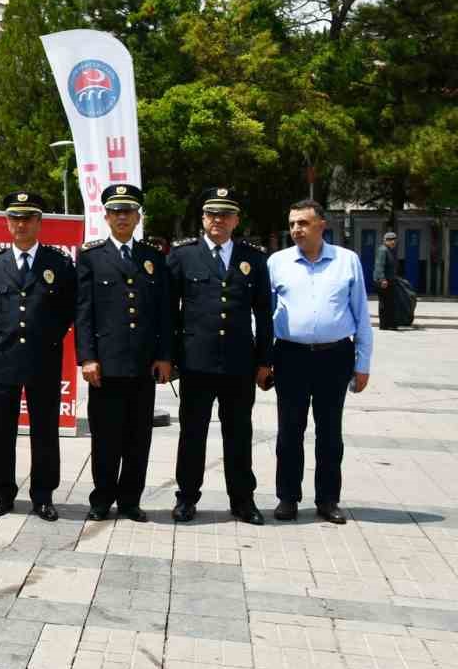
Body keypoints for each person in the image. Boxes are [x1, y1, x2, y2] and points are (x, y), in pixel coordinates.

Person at [167, 187, 272, 525]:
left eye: (226, 214)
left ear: (236, 220)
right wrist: (167, 357)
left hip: (240, 363)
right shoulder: (183, 255)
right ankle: (186, 498)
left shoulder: (253, 257)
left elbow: (266, 314)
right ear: (203, 218)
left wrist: (265, 361)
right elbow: (168, 312)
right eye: (212, 214)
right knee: (192, 433)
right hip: (196, 361)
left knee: (239, 433)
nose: (218, 220)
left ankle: (242, 500)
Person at [267, 199, 373, 525]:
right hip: (291, 356)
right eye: (292, 223)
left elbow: (361, 314)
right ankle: (288, 498)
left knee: (330, 432)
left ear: (321, 225)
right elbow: (264, 315)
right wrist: (264, 360)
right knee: (289, 432)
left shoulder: (347, 261)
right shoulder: (277, 263)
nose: (296, 229)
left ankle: (328, 500)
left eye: (303, 223)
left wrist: (363, 363)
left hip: (335, 356)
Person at [75, 184, 172, 523]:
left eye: (127, 211)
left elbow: (163, 312)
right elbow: (83, 311)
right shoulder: (89, 256)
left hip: (143, 365)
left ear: (137, 216)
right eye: (115, 211)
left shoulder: (153, 257)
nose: (121, 216)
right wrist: (87, 357)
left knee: (137, 438)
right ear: (106, 216)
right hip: (105, 365)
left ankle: (130, 500)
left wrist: (164, 356)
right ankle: (102, 498)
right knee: (105, 439)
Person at [0, 191, 76, 521]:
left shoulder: (59, 264)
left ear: (39, 222)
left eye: (28, 218)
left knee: (45, 430)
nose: (21, 224)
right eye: (15, 218)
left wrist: (44, 338)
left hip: (43, 359)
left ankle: (44, 495)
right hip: (5, 360)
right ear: (6, 223)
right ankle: (3, 492)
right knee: (0, 429)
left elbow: (66, 312)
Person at [373, 231, 398, 331]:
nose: (393, 242)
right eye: (390, 240)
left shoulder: (389, 250)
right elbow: (379, 265)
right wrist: (382, 279)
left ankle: (389, 323)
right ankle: (384, 325)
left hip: (389, 281)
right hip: (383, 282)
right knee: (384, 303)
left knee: (389, 303)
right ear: (385, 241)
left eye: (394, 240)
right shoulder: (383, 250)